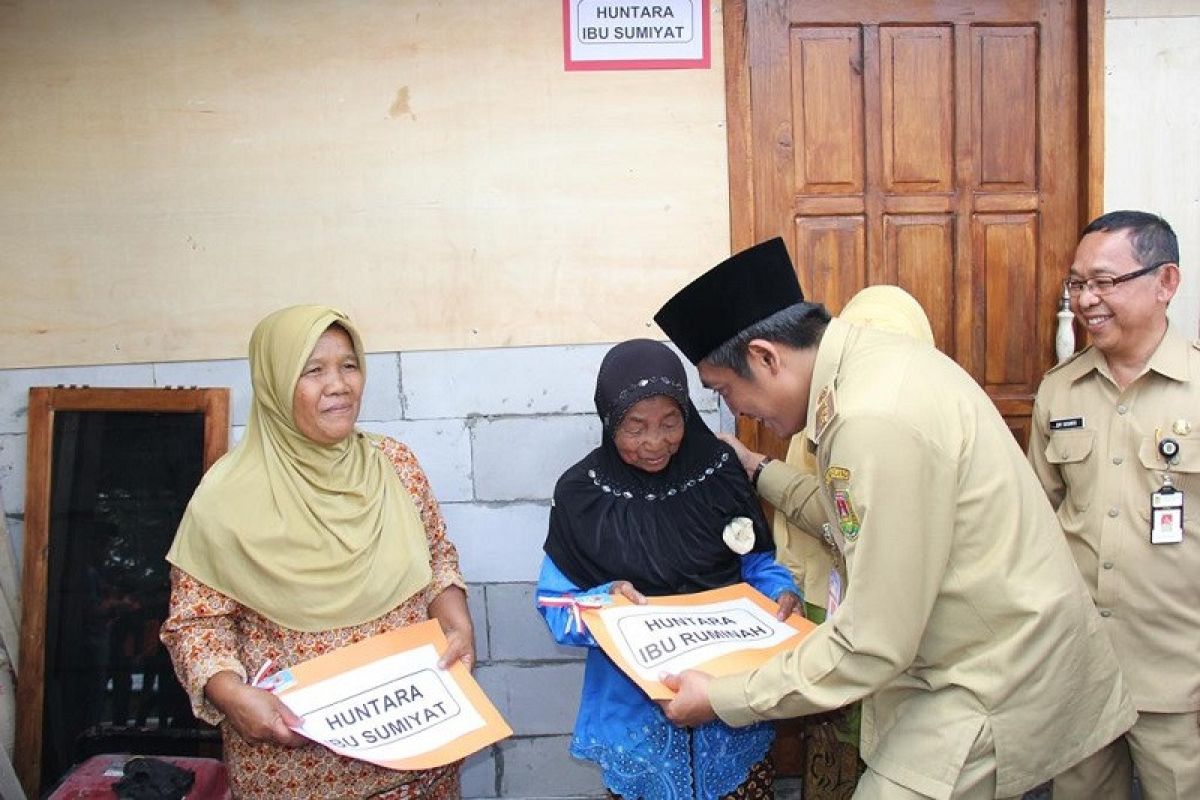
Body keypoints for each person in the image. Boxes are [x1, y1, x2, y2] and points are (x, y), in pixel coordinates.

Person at [651, 238, 1136, 800]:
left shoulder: (871, 416)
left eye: (725, 390)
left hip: (997, 671)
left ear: (765, 356)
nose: (736, 410)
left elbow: (873, 642)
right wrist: (759, 469)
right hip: (979, 655)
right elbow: (848, 522)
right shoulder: (865, 370)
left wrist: (723, 696)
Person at [161, 305, 473, 800]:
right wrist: (233, 695)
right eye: (313, 370)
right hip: (298, 769)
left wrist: (457, 626)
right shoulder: (227, 496)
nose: (339, 384)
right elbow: (198, 623)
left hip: (418, 758)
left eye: (349, 365)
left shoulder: (395, 465)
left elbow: (436, 555)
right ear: (274, 383)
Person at [536, 338, 801, 800]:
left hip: (729, 711)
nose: (655, 443)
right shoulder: (582, 494)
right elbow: (556, 604)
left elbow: (757, 561)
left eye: (670, 422)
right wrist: (606, 601)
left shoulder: (718, 471)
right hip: (636, 719)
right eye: (635, 427)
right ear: (609, 420)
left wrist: (780, 591)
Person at [1027, 210, 1200, 800]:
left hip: (1181, 677)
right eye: (1078, 284)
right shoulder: (1059, 390)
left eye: (1105, 282)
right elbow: (1036, 523)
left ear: (1166, 282)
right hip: (1082, 671)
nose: (1086, 300)